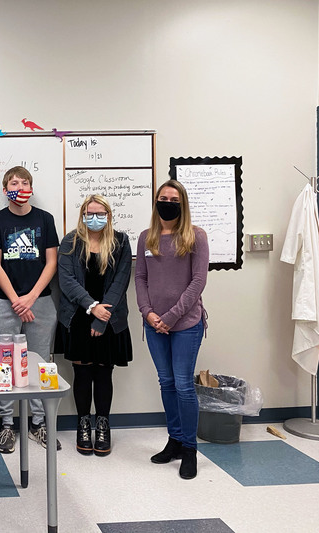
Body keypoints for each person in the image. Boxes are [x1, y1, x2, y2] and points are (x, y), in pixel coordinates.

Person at [135, 179, 209, 480]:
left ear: (183, 203)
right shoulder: (146, 237)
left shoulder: (196, 236)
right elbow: (139, 278)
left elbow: (198, 281)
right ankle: (175, 441)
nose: (167, 202)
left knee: (183, 385)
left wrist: (171, 316)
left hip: (186, 324)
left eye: (173, 199)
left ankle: (190, 449)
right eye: (162, 198)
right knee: (166, 382)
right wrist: (148, 313)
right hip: (153, 324)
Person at [0, 166, 61, 453]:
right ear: (5, 188)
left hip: (40, 302)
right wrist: (17, 300)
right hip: (7, 303)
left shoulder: (45, 219)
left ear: (32, 186)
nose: (20, 185)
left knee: (40, 364)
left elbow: (51, 262)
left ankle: (38, 424)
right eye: (14, 182)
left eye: (25, 181)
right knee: (5, 364)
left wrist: (29, 298)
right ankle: (7, 425)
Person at [58, 194, 132, 457]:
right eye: (90, 213)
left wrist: (102, 316)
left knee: (103, 372)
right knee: (82, 373)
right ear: (82, 215)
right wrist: (91, 307)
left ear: (109, 215)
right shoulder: (70, 241)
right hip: (78, 316)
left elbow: (121, 281)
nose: (95, 217)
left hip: (110, 318)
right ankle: (83, 424)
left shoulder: (121, 242)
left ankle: (103, 424)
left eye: (100, 213)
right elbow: (66, 280)